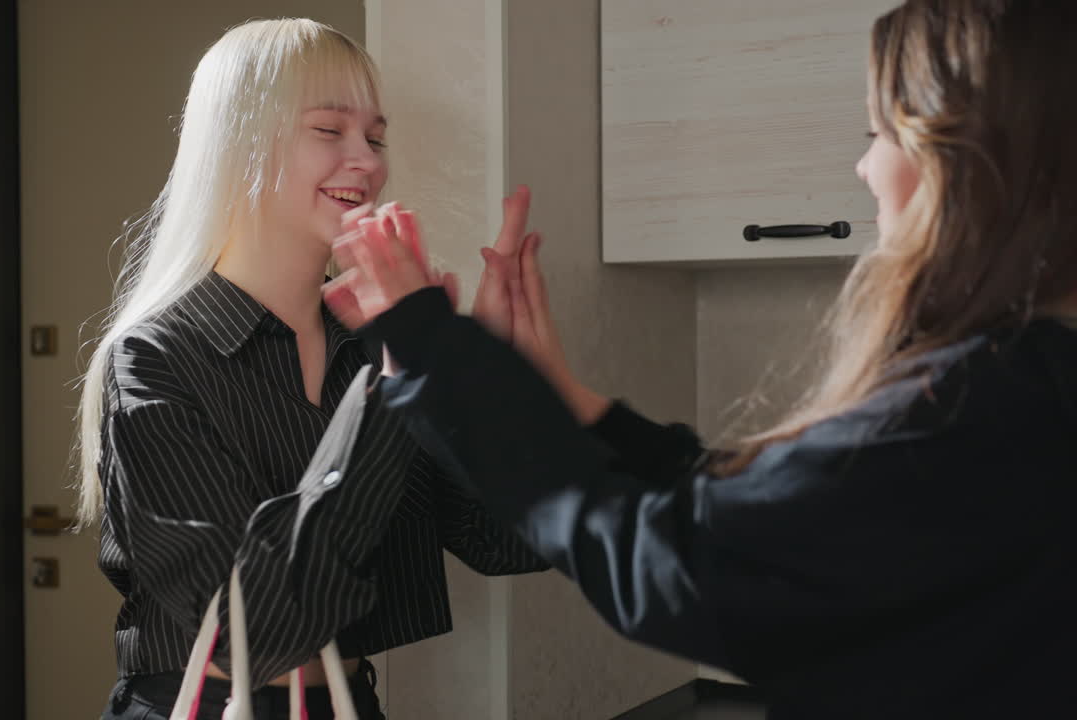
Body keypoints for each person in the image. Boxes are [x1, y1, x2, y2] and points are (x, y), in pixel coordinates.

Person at [321, 0, 1077, 717]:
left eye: (876, 135)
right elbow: (763, 521)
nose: (863, 169)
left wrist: (431, 342)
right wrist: (562, 399)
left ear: (954, 160)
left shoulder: (991, 400)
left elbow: (694, 565)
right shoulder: (1028, 379)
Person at [74, 19, 547, 720]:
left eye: (376, 138)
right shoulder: (156, 358)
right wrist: (396, 388)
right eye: (331, 131)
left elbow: (507, 542)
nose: (369, 162)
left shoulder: (366, 345)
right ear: (239, 146)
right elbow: (255, 633)